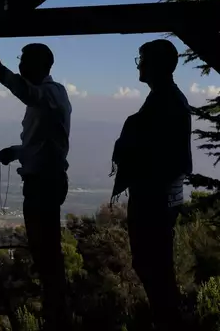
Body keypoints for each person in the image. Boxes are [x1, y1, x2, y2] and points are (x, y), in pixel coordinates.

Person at [0, 44, 72, 330]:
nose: (21, 66)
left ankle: (57, 319)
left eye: (25, 61)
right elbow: (42, 144)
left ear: (42, 64)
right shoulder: (48, 98)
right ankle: (55, 317)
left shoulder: (50, 93)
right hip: (41, 183)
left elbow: (28, 93)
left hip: (44, 184)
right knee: (46, 257)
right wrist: (17, 152)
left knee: (48, 258)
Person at [110, 39, 192, 331]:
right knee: (156, 270)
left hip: (153, 200)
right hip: (161, 198)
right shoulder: (169, 98)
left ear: (155, 64)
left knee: (154, 270)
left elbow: (151, 151)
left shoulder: (165, 101)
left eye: (142, 59)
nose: (139, 65)